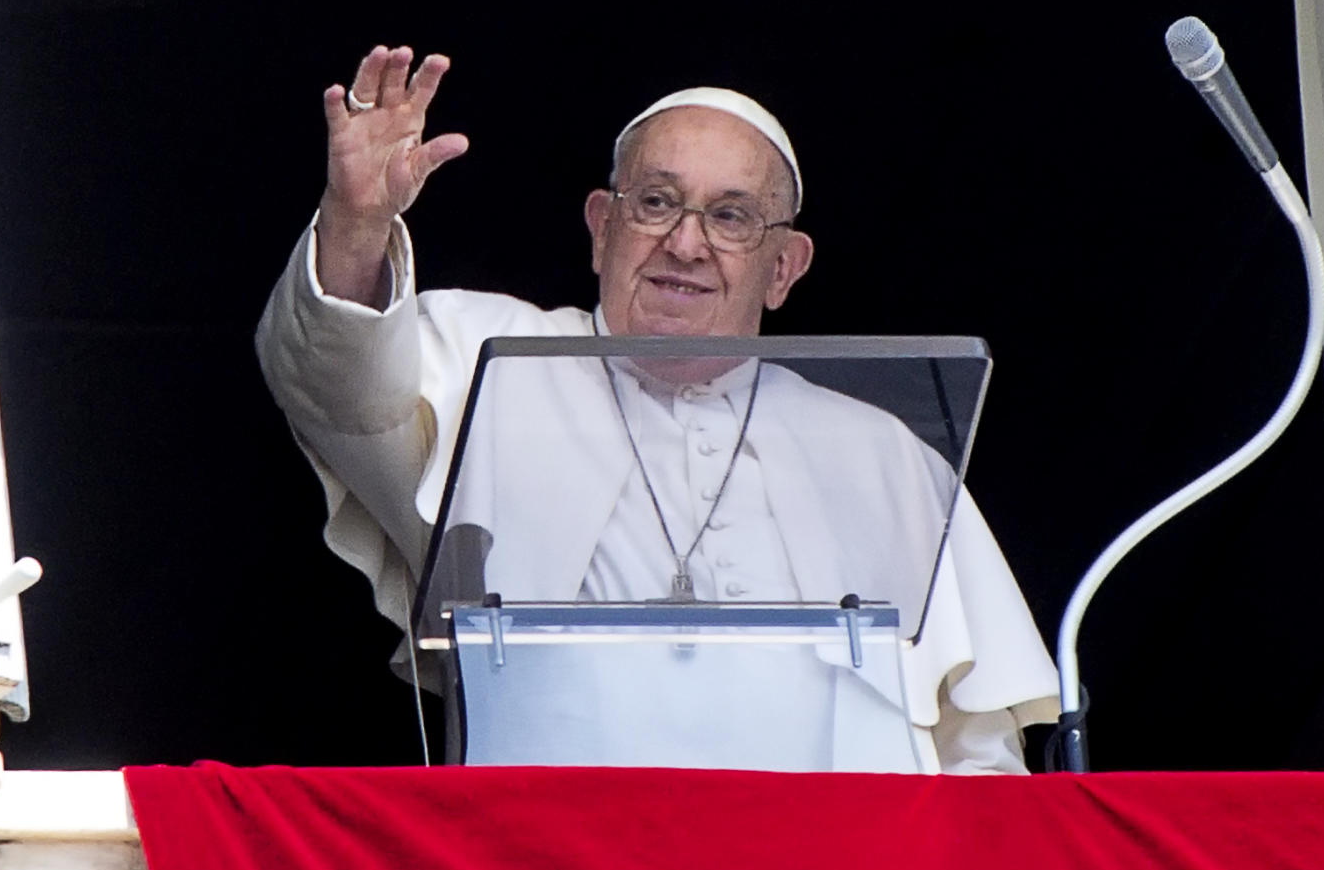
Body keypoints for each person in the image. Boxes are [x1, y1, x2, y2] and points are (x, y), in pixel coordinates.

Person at [256, 44, 1060, 774]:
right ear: (602, 229)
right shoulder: (485, 358)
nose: (685, 243)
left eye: (731, 216)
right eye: (656, 203)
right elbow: (341, 387)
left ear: (784, 267)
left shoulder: (881, 451)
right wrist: (358, 225)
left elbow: (977, 747)